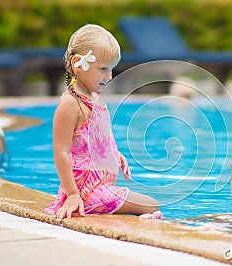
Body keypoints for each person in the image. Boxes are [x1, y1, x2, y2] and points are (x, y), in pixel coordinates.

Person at [45, 24, 162, 221]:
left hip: (100, 186)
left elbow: (95, 140)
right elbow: (61, 152)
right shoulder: (71, 103)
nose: (109, 77)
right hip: (86, 191)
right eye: (102, 69)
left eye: (112, 70)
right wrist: (73, 195)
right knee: (152, 205)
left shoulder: (94, 99)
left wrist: (115, 154)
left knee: (149, 205)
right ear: (77, 63)